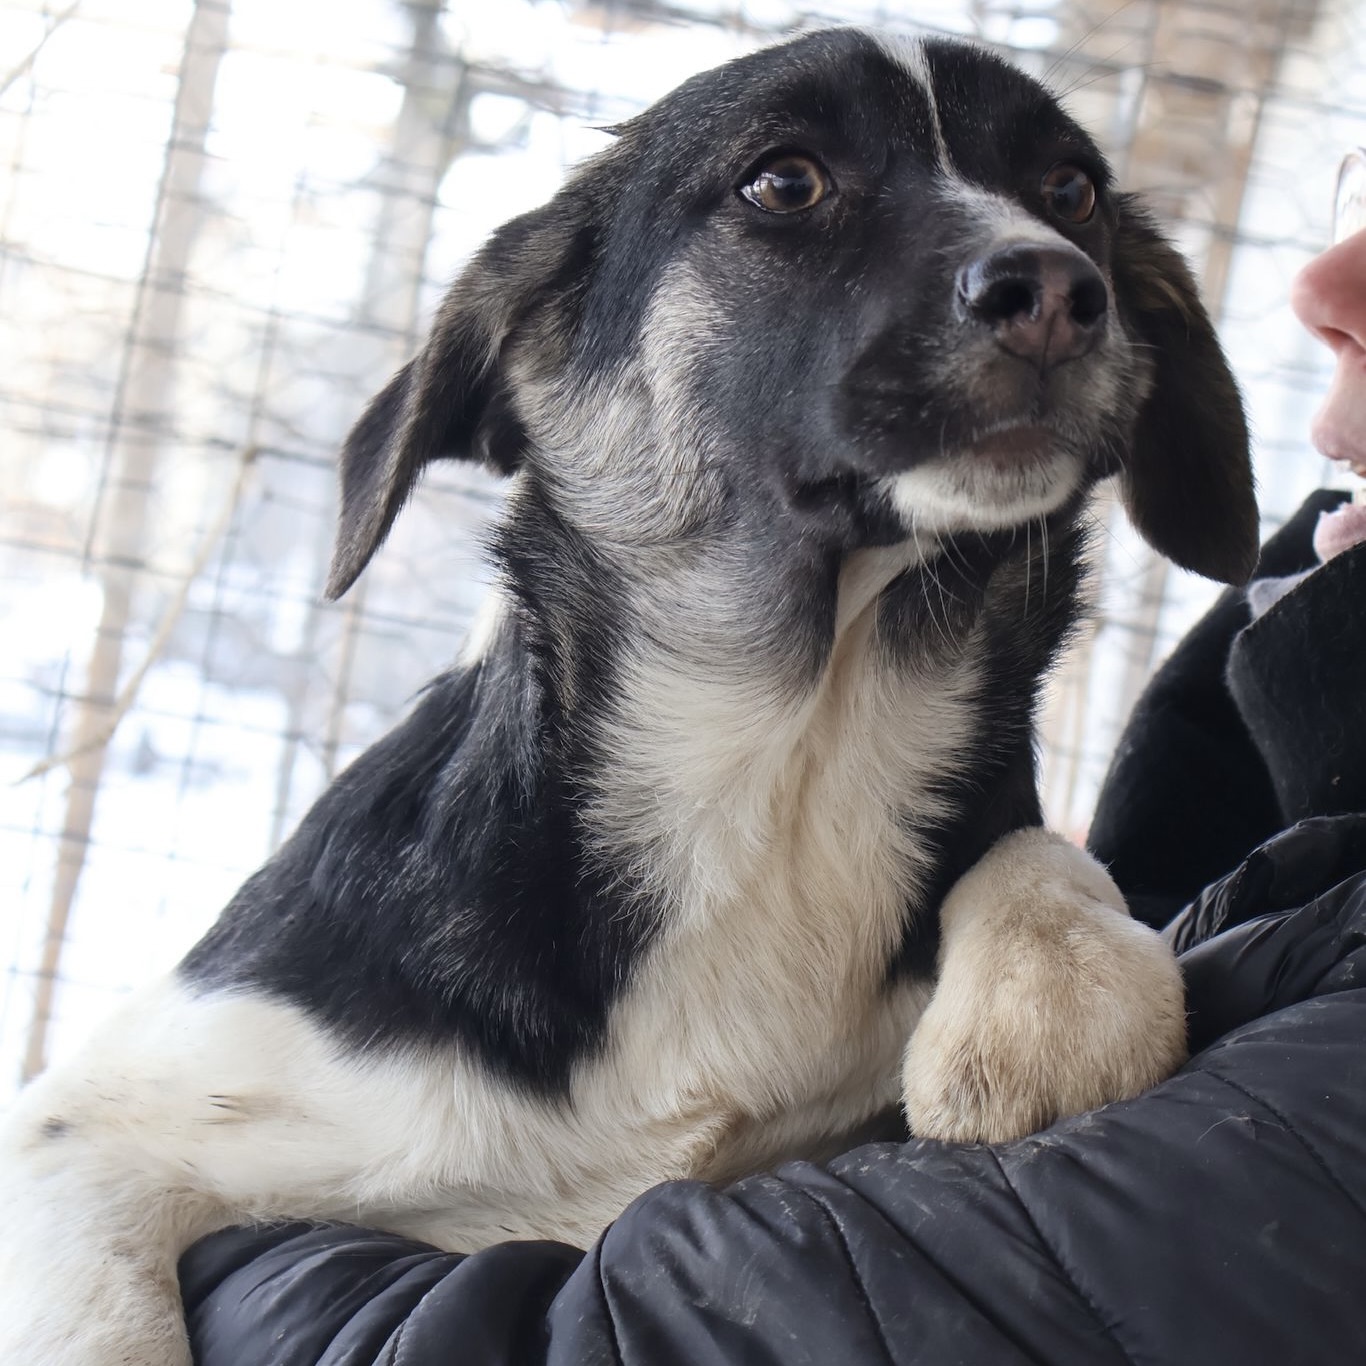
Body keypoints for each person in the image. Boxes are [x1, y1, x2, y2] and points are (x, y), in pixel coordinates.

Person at [177, 162, 1366, 1365]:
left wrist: (233, 1252)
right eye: (786, 188)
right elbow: (79, 1179)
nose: (1042, 267)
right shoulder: (1241, 763)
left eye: (1064, 202)